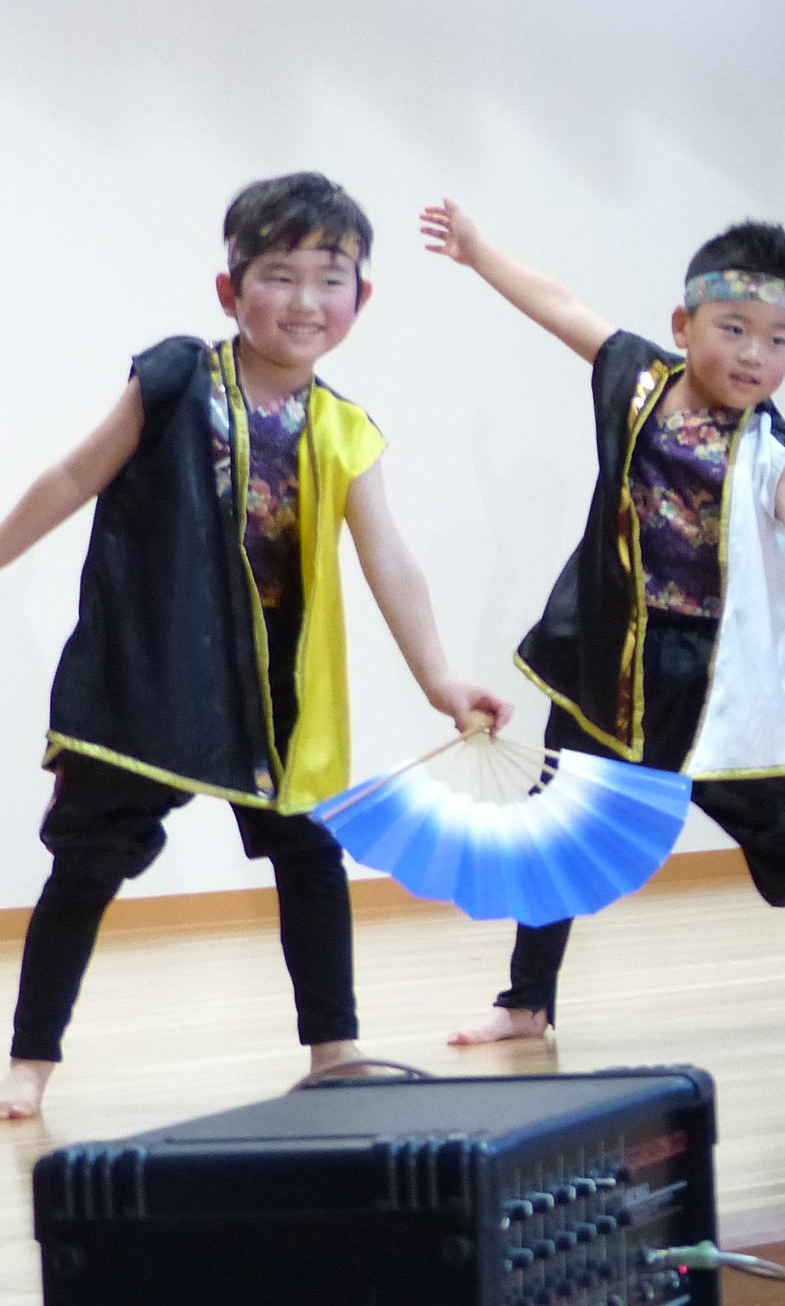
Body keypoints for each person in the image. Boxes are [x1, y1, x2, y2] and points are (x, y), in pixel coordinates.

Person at [0, 173, 509, 1119]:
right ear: (230, 291)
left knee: (310, 855)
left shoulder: (345, 430)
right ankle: (29, 1061)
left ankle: (335, 1049)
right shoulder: (175, 380)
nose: (306, 301)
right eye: (279, 275)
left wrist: (440, 676)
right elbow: (74, 475)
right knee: (87, 862)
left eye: (331, 279)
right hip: (154, 670)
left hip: (276, 692)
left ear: (362, 298)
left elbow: (389, 558)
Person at [422, 202, 785, 1044]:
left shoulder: (772, 450)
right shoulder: (637, 382)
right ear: (684, 326)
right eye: (735, 329)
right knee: (560, 825)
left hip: (718, 679)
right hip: (610, 662)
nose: (755, 354)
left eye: (779, 339)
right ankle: (526, 1002)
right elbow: (561, 306)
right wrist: (477, 252)